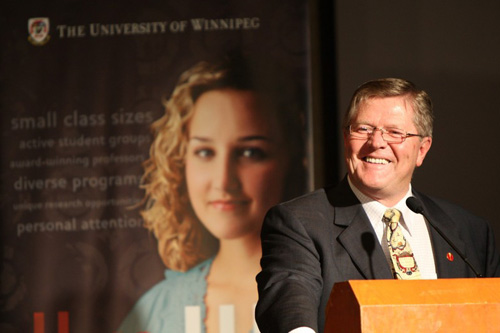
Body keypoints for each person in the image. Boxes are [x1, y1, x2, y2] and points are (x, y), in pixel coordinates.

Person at [255, 78, 500, 333]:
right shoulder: (300, 223)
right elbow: (289, 298)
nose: (376, 143)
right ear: (345, 137)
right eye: (363, 129)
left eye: (395, 132)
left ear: (422, 150)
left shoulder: (467, 231)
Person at [118, 56, 307, 333]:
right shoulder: (157, 310)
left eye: (250, 152)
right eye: (205, 152)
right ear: (181, 163)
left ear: (290, 159)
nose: (223, 180)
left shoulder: (327, 293)